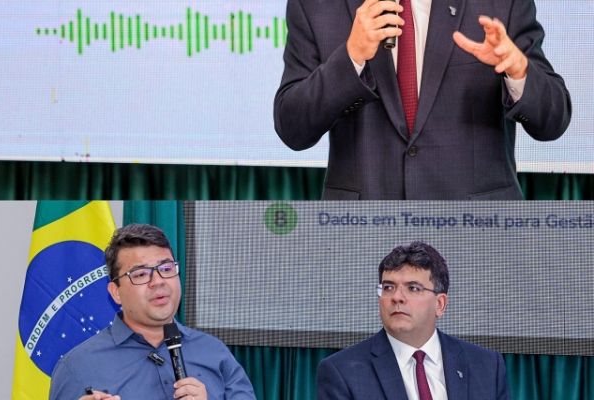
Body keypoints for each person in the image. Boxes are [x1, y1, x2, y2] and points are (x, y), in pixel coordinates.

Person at [274, 0, 571, 200]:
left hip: (476, 226)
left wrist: (519, 72)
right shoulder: (314, 6)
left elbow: (553, 121)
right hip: (362, 229)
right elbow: (292, 128)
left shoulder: (501, 4)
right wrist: (350, 58)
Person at [49, 224, 256, 400]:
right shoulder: (77, 366)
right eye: (141, 274)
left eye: (166, 269)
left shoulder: (214, 352)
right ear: (116, 292)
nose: (158, 281)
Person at [317, 241, 508, 399]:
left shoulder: (487, 366)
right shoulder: (342, 371)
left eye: (413, 288)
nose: (397, 297)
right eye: (388, 287)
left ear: (440, 304)